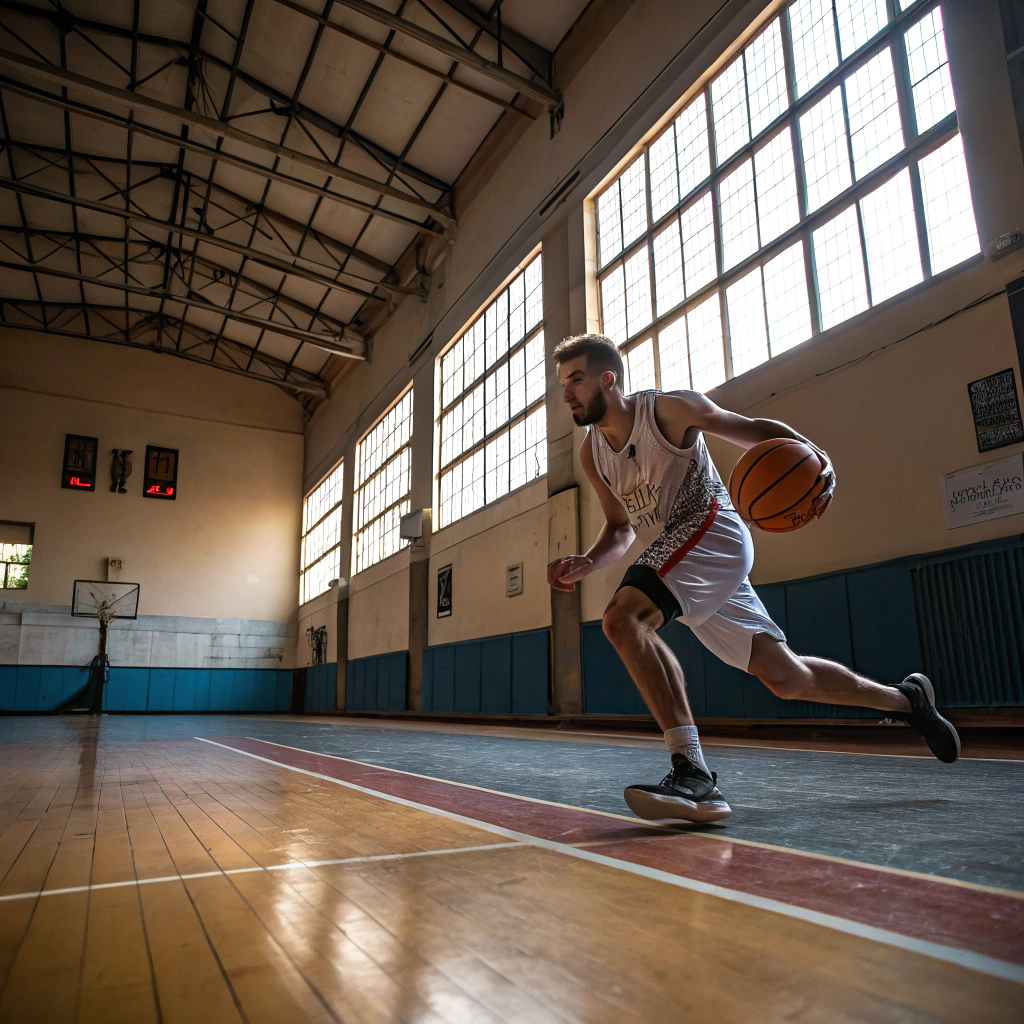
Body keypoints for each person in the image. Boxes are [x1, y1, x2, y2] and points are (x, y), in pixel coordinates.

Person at [547, 334, 960, 823]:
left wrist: (814, 461)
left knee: (623, 620)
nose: (567, 394)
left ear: (607, 379)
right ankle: (906, 699)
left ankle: (692, 773)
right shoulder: (593, 454)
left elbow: (751, 429)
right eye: (562, 385)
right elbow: (620, 527)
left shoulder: (668, 410)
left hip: (710, 531)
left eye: (576, 380)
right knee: (787, 677)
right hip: (682, 562)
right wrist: (586, 563)